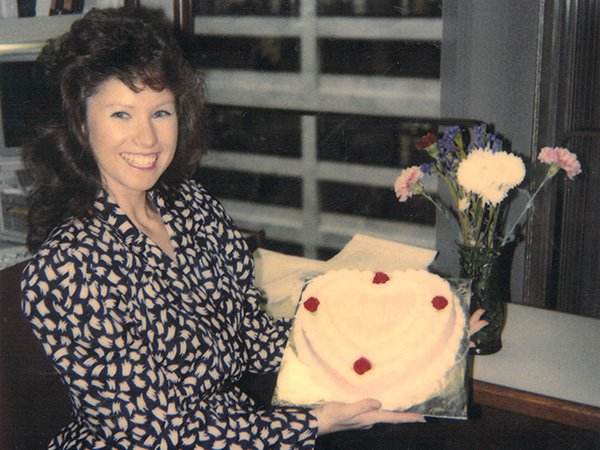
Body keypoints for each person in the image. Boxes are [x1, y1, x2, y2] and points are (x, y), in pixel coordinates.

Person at [21, 7, 458, 449]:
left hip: (241, 432)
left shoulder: (190, 207)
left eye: (160, 113)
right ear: (80, 123)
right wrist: (310, 424)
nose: (147, 139)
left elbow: (251, 334)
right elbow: (158, 434)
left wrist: (417, 331)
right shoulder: (68, 268)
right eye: (121, 114)